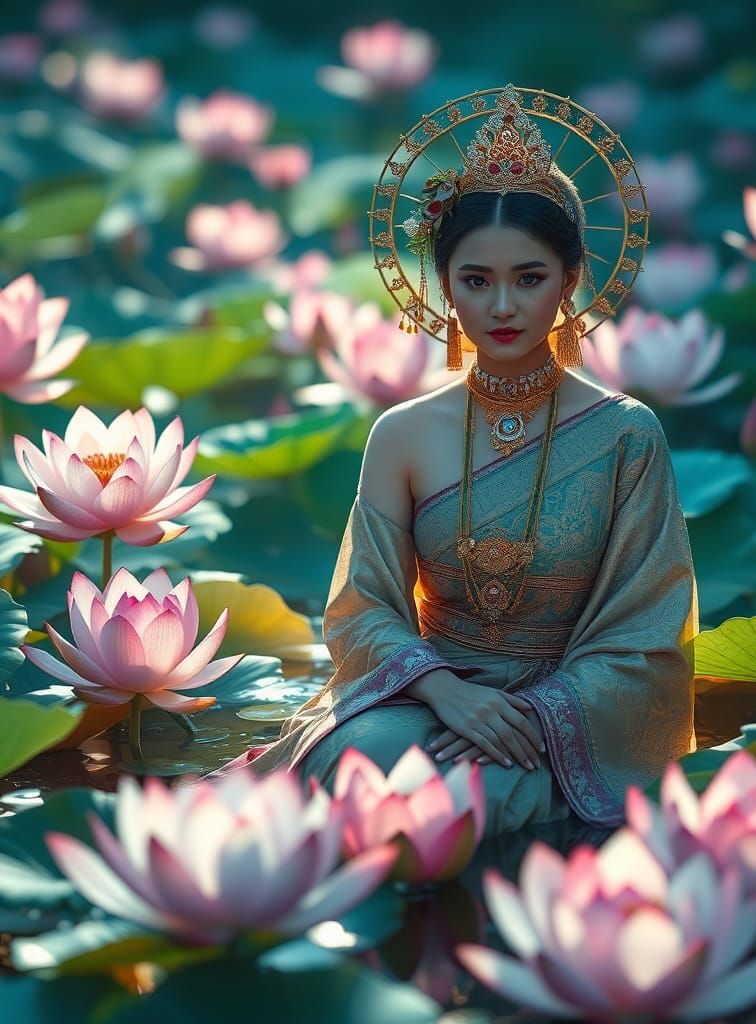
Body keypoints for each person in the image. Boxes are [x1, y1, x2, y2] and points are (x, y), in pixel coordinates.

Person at [221, 85, 699, 834]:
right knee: (362, 779)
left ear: (570, 281)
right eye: (477, 281)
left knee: (478, 803)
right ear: (445, 288)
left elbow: (645, 636)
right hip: (420, 697)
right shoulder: (402, 432)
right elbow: (363, 608)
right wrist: (447, 691)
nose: (502, 307)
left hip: (565, 718)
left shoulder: (626, 435)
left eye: (529, 278)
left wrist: (536, 716)